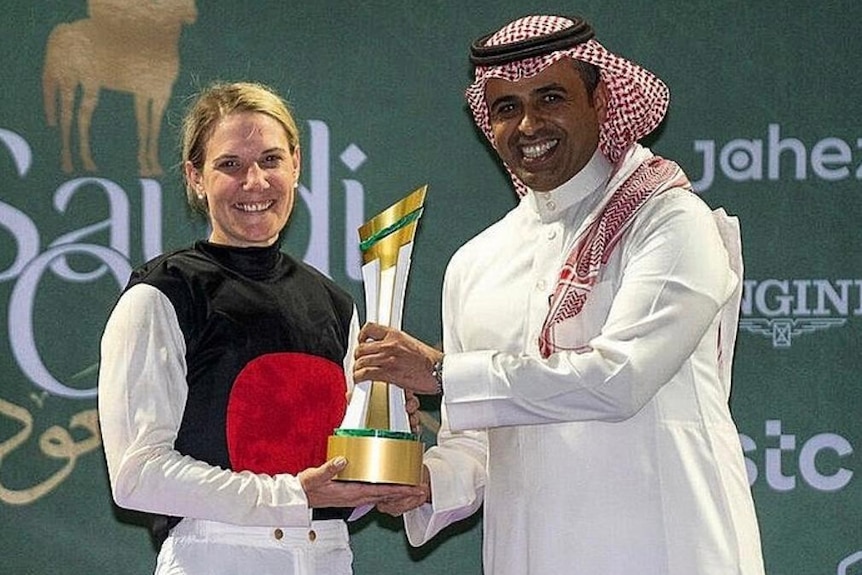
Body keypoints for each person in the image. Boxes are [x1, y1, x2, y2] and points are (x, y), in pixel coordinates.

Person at [352, 14, 766, 575]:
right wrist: (427, 483)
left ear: (600, 101)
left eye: (550, 97)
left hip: (668, 548)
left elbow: (619, 380)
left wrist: (446, 374)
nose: (529, 124)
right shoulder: (477, 262)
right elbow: (477, 439)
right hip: (531, 553)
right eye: (506, 107)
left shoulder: (667, 219)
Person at [98, 81, 423, 575]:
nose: (254, 182)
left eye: (271, 160)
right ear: (195, 177)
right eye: (230, 164)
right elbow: (136, 475)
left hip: (330, 555)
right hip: (214, 557)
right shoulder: (163, 294)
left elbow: (337, 492)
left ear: (296, 163)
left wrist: (383, 445)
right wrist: (292, 494)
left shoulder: (335, 304)